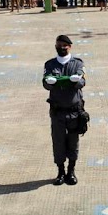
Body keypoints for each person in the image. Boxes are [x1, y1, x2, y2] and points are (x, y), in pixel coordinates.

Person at [42, 35, 86, 186]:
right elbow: (45, 83)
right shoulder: (50, 64)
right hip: (57, 111)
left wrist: (76, 81)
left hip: (74, 111)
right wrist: (50, 83)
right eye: (59, 45)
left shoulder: (77, 63)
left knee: (73, 141)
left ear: (70, 47)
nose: (62, 47)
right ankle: (60, 172)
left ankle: (71, 171)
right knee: (58, 141)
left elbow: (82, 81)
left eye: (65, 45)